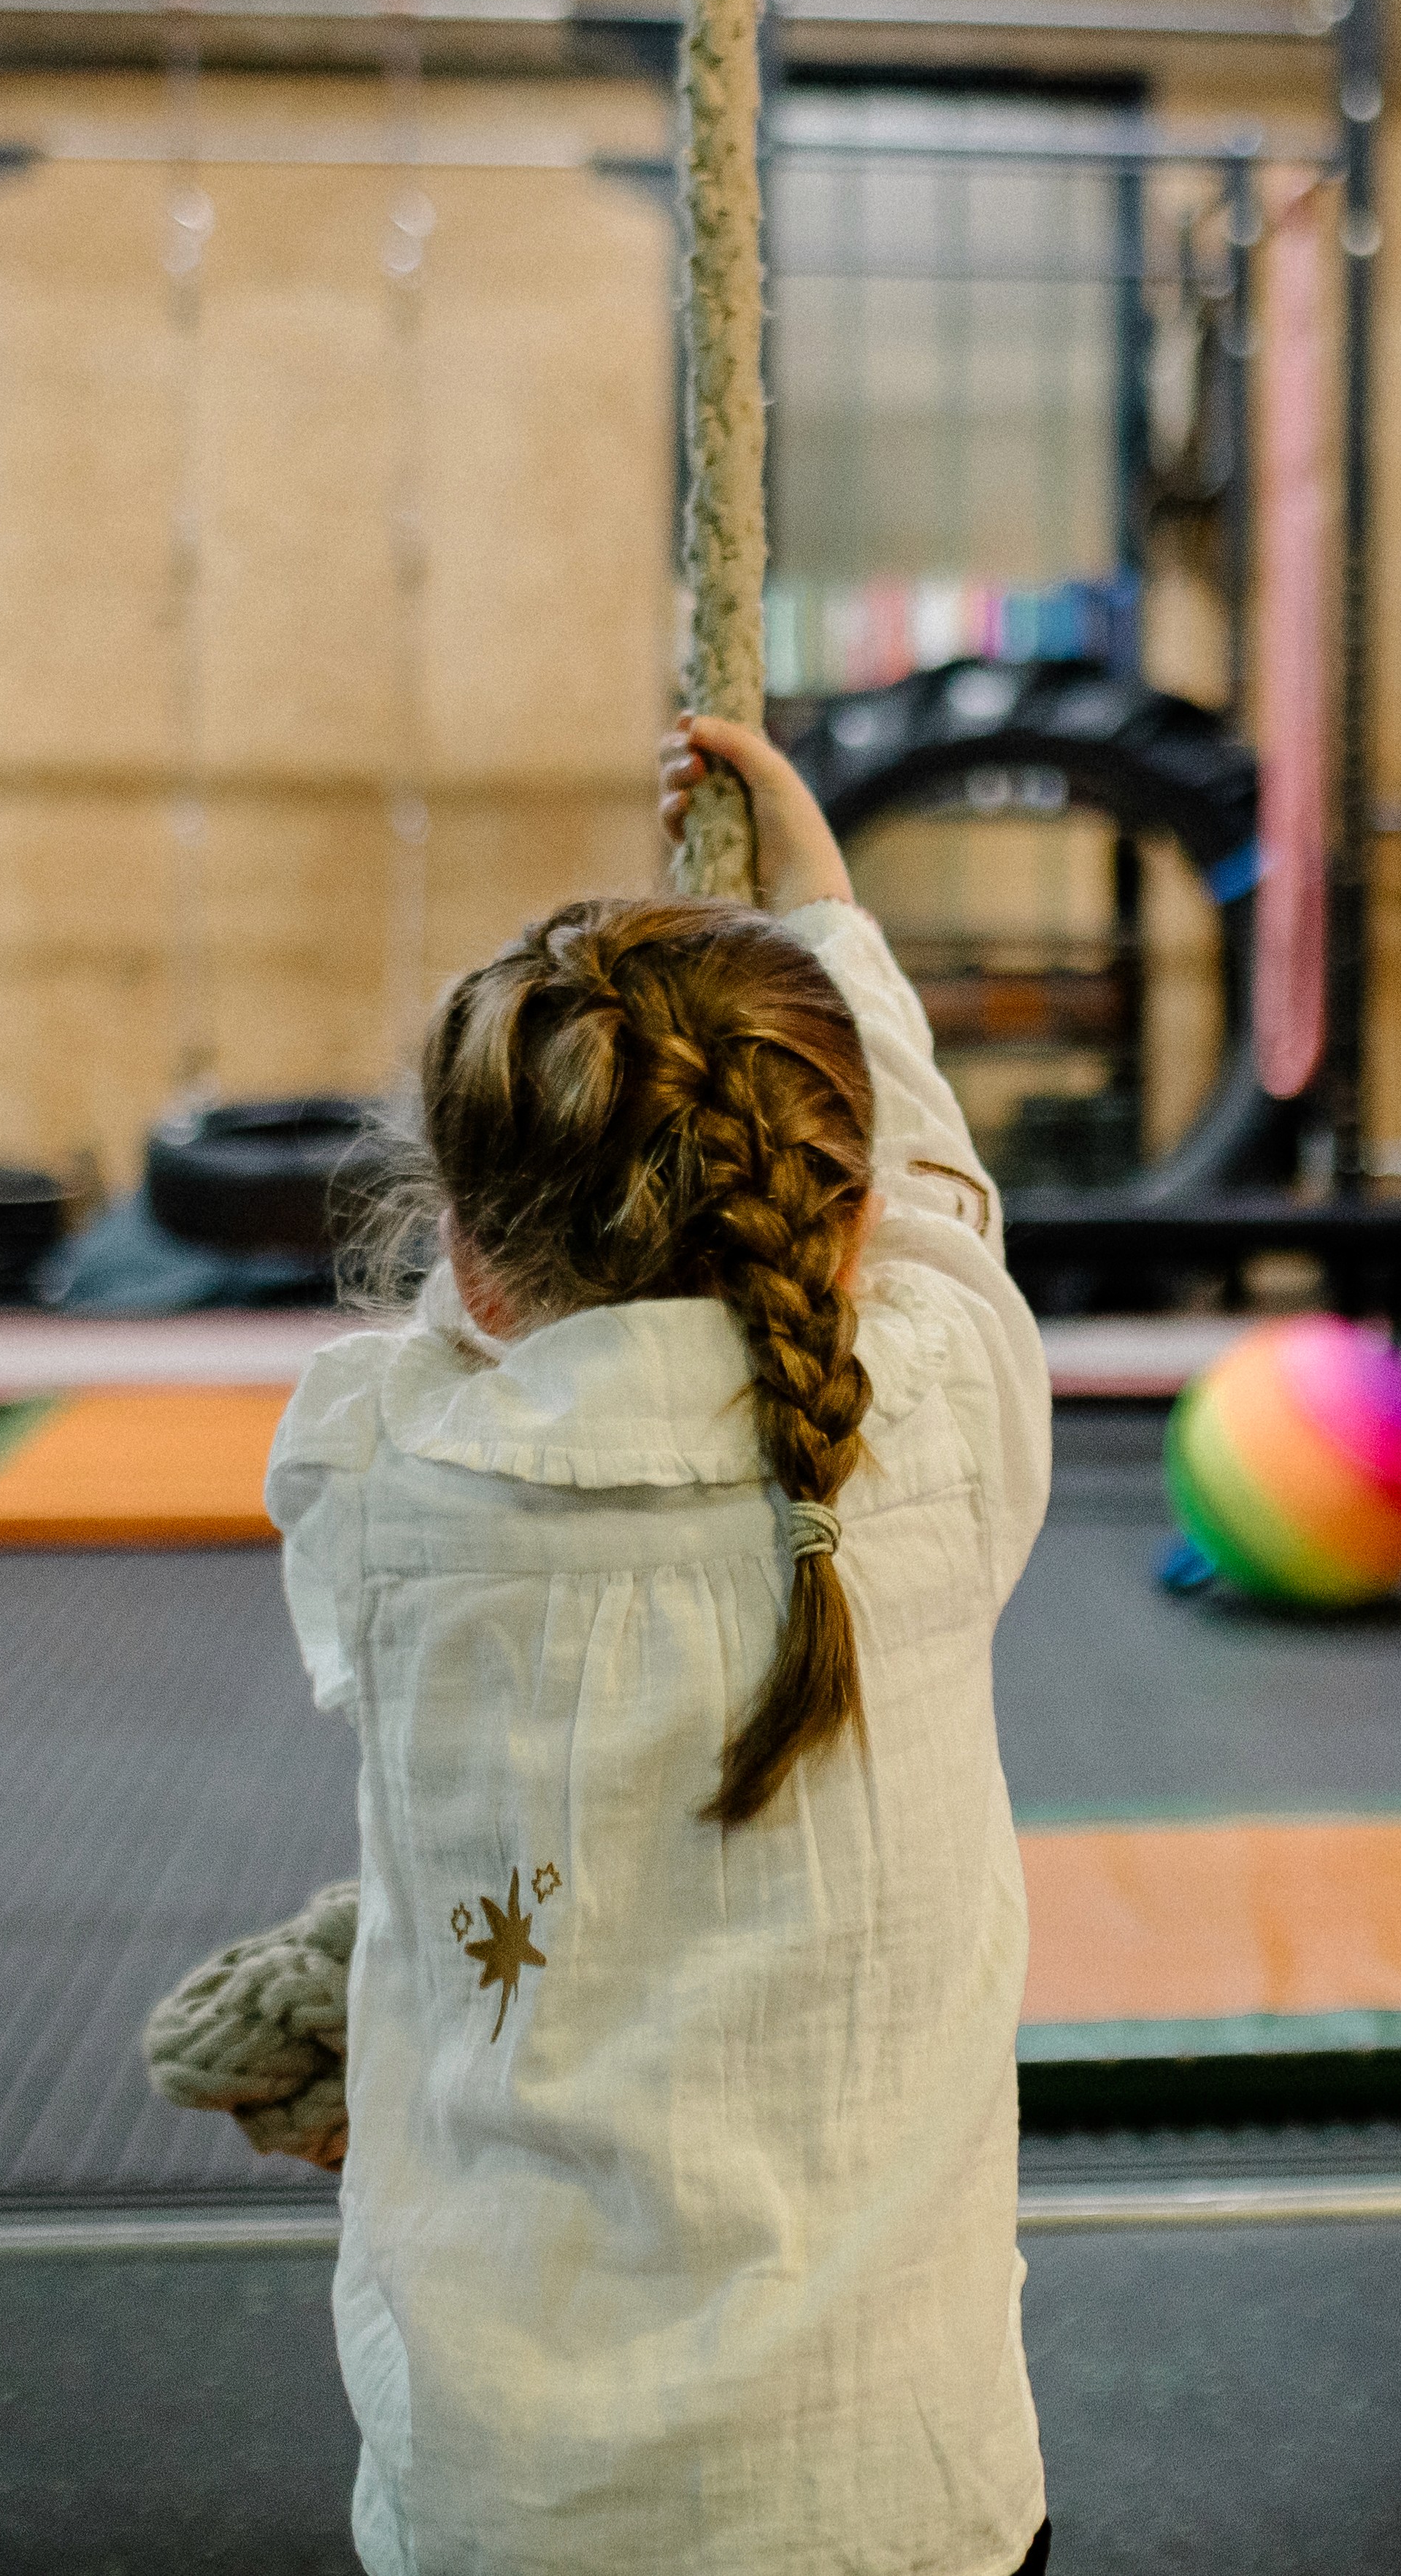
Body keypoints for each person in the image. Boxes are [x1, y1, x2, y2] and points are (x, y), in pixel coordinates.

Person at [266, 715, 1056, 2576]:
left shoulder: (379, 1482)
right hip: (896, 2501)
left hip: (506, 2510)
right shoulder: (936, 1439)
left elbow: (481, 1349)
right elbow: (939, 1211)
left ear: (463, 1259)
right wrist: (824, 914)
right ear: (838, 1221)